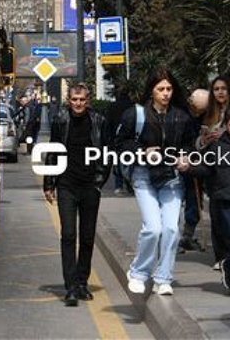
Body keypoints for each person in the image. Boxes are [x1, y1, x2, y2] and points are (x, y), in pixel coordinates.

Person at [114, 69, 196, 295]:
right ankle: (139, 272)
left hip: (172, 178)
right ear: (152, 90)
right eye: (161, 89)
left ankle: (163, 278)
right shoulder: (136, 115)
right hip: (144, 176)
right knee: (153, 228)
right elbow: (120, 143)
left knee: (171, 228)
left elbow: (190, 145)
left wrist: (186, 157)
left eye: (169, 89)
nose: (166, 93)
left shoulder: (181, 116)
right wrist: (142, 151)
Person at [43, 83, 111, 307]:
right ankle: (70, 286)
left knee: (88, 236)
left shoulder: (99, 121)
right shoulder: (61, 120)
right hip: (67, 185)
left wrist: (101, 181)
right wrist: (48, 183)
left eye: (82, 99)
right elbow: (52, 151)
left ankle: (82, 282)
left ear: (88, 100)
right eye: (74, 99)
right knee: (69, 234)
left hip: (91, 185)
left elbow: (106, 153)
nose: (78, 103)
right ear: (69, 101)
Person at [180, 106, 230, 300]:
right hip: (223, 199)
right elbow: (205, 167)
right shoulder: (218, 146)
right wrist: (188, 168)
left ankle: (229, 265)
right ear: (226, 126)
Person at [198, 76, 230, 269]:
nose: (220, 92)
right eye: (216, 89)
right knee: (216, 214)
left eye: (224, 88)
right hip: (214, 168)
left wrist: (227, 133)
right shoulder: (209, 115)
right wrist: (205, 140)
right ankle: (221, 256)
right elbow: (197, 144)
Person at [179, 89, 210, 252]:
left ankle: (187, 235)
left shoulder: (206, 117)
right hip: (180, 161)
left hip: (197, 163)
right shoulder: (181, 115)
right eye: (197, 108)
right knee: (177, 199)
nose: (198, 112)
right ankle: (175, 237)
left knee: (194, 198)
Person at [106, 89, 135, 196]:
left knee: (117, 163)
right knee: (130, 162)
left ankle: (119, 187)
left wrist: (108, 140)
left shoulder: (112, 106)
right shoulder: (132, 107)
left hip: (116, 140)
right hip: (130, 140)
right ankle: (129, 184)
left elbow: (108, 124)